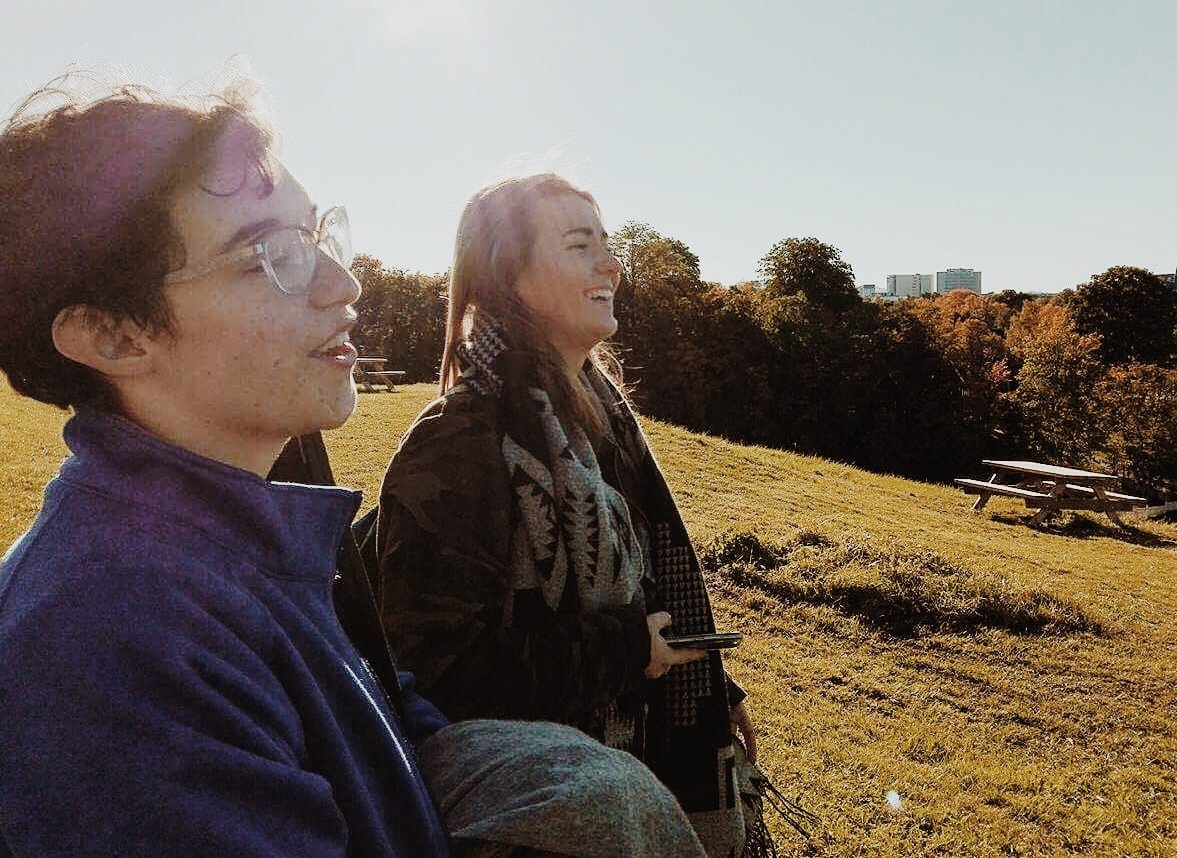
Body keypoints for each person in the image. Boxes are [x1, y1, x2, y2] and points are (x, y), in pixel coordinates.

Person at [0, 74, 706, 858]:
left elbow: (384, 722)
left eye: (316, 236)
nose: (344, 283)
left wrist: (565, 782)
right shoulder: (113, 646)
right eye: (270, 253)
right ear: (115, 336)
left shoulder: (252, 542)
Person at [374, 173, 756, 856]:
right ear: (511, 278)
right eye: (580, 246)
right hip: (538, 821)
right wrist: (627, 651)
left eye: (607, 244)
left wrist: (708, 683)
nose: (612, 265)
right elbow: (436, 675)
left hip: (621, 776)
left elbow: (646, 582)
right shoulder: (458, 442)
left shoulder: (600, 425)